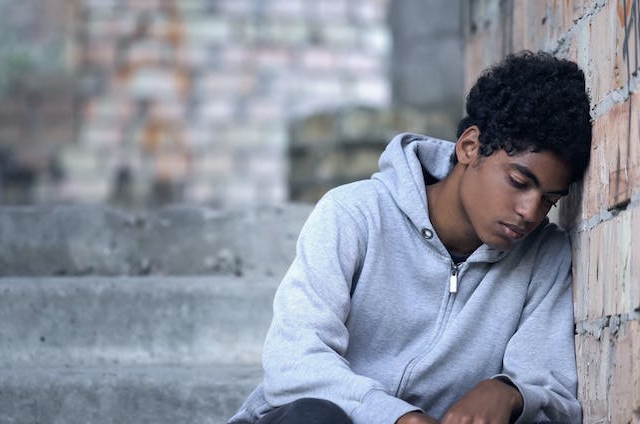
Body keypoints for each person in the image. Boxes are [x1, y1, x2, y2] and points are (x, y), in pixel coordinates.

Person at [228, 50, 592, 424]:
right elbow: (293, 361)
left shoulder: (544, 256)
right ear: (469, 147)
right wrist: (398, 417)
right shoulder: (354, 214)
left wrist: (510, 393)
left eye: (549, 199)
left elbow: (555, 395)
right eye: (518, 182)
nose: (530, 212)